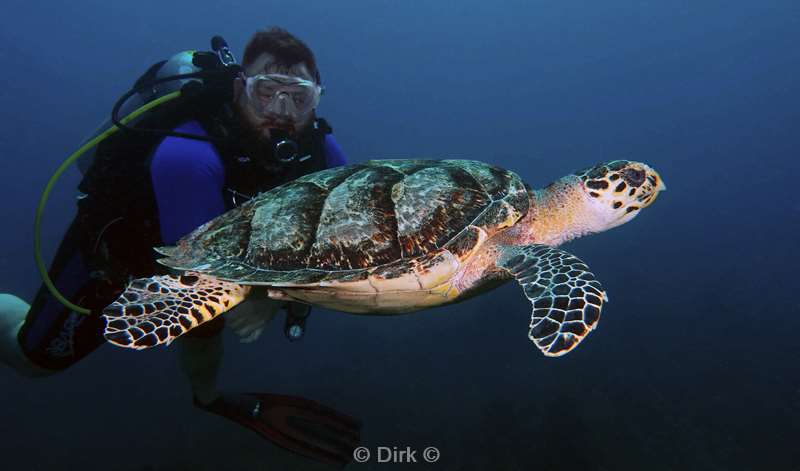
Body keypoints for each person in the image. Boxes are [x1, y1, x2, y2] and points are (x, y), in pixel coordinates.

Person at [0, 27, 360, 466]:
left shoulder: (324, 156)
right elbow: (199, 275)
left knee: (203, 321)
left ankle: (206, 398)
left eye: (298, 97)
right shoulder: (189, 156)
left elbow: (339, 245)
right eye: (266, 93)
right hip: (119, 264)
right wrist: (273, 296)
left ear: (318, 98)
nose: (282, 112)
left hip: (205, 278)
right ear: (238, 90)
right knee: (34, 359)